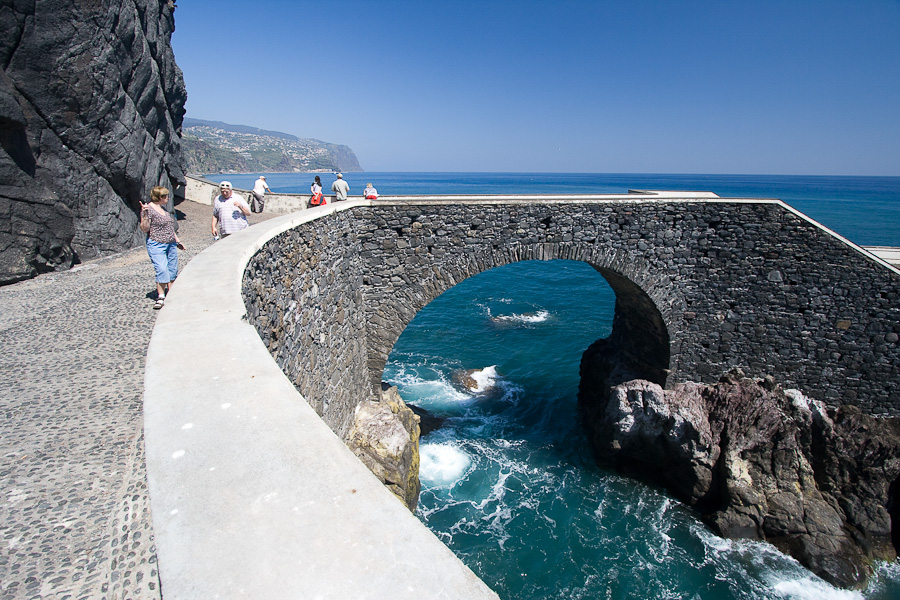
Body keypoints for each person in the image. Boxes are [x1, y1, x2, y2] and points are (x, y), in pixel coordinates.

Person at [140, 186, 184, 309]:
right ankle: (161, 296)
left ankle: (172, 294)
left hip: (170, 243)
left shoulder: (163, 209)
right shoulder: (148, 209)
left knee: (172, 270)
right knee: (162, 269)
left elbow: (169, 226)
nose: (168, 198)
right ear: (159, 197)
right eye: (165, 196)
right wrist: (144, 214)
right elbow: (144, 228)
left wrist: (177, 240)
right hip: (157, 244)